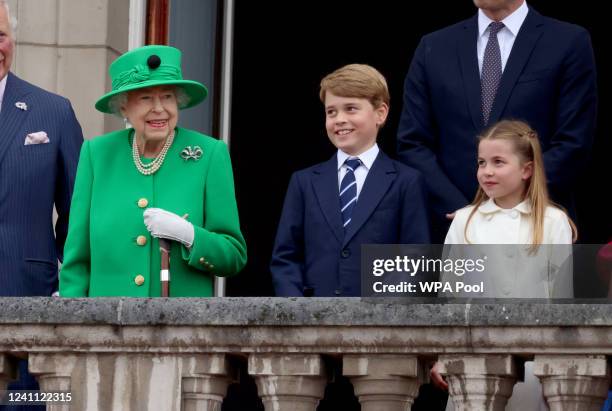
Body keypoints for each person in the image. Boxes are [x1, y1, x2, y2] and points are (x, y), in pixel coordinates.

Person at [397, 0, 597, 242]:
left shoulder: (567, 41)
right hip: (453, 227)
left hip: (536, 227)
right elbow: (413, 142)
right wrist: (468, 213)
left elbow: (573, 141)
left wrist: (509, 204)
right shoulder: (434, 46)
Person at [59, 45, 246, 297]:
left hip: (181, 328)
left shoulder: (209, 154)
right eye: (146, 98)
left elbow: (233, 255)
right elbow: (77, 260)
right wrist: (75, 325)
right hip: (107, 326)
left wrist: (190, 236)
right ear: (123, 107)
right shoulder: (97, 154)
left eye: (168, 96)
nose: (159, 108)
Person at [435, 120, 576, 410]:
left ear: (526, 169)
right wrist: (443, 354)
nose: (486, 171)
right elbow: (450, 295)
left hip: (534, 360)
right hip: (473, 359)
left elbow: (563, 300)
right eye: (481, 162)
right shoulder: (465, 220)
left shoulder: (552, 222)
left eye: (498, 162)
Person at [270, 64, 430, 297]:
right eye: (331, 112)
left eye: (351, 109)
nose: (339, 119)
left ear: (381, 113)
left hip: (380, 323)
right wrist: (297, 311)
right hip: (312, 321)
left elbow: (415, 257)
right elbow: (286, 258)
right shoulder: (304, 182)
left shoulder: (407, 181)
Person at [0, 1, 83, 408]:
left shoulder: (53, 111)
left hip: (29, 302)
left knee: (32, 403)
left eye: (0, 35)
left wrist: (67, 288)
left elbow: (79, 216)